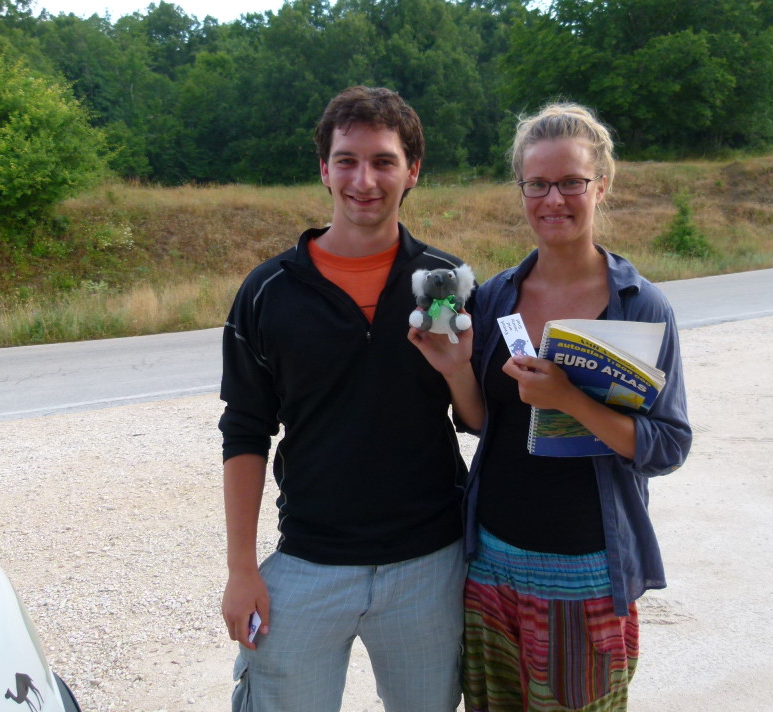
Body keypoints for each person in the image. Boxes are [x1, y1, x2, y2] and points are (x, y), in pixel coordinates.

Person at [411, 102, 692, 711]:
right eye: (536, 184)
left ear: (602, 186)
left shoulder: (639, 306)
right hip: (492, 565)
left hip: (586, 572)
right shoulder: (494, 297)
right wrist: (457, 371)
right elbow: (484, 423)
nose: (553, 199)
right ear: (521, 190)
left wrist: (568, 399)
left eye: (571, 182)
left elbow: (667, 446)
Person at [219, 86, 469, 712]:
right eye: (348, 160)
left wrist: (461, 370)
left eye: (384, 161)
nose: (365, 179)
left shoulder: (447, 282)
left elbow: (477, 419)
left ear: (412, 171)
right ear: (324, 169)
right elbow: (245, 431)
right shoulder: (269, 291)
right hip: (308, 560)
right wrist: (242, 570)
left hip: (430, 564)